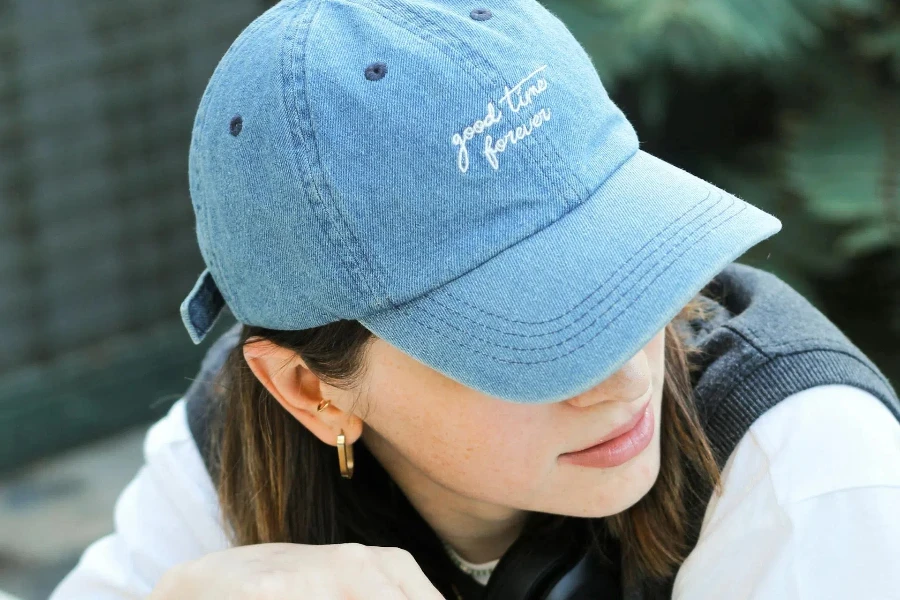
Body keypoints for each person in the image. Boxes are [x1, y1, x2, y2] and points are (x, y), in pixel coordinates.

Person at [50, 0, 900, 598]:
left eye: (625, 269)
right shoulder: (228, 448)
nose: (625, 378)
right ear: (308, 390)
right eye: (532, 333)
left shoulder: (807, 469)